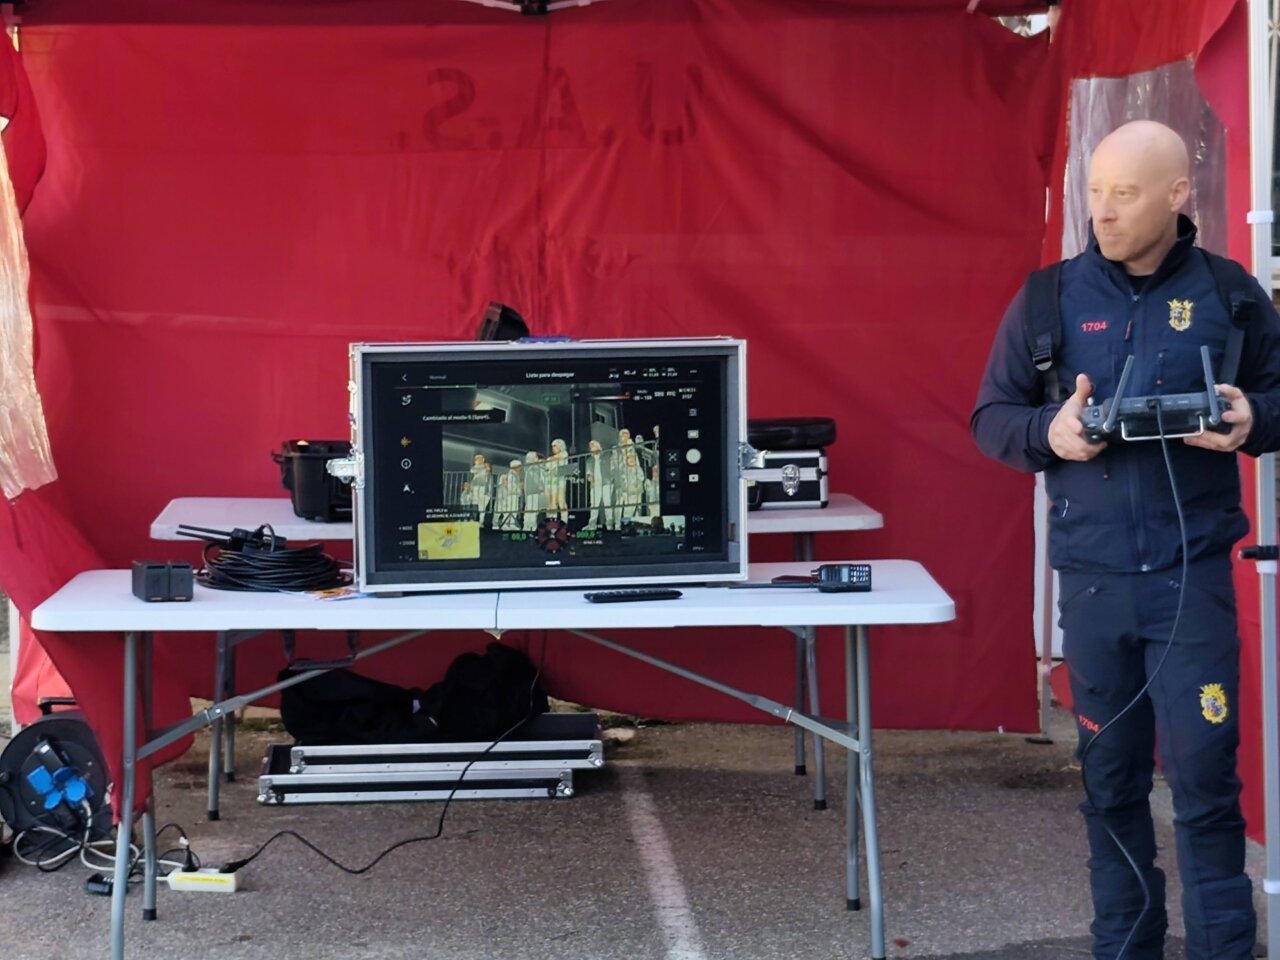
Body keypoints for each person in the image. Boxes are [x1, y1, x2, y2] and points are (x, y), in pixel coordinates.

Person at [971, 119, 1280, 960]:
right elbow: (989, 418)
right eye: (1095, 191)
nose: (1102, 212)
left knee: (1208, 782)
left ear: (1179, 197)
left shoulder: (1234, 294)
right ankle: (1127, 947)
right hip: (1095, 583)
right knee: (1110, 784)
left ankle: (1224, 950)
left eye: (1126, 193)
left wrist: (1254, 417)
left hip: (1193, 583)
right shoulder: (1048, 297)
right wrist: (1052, 433)